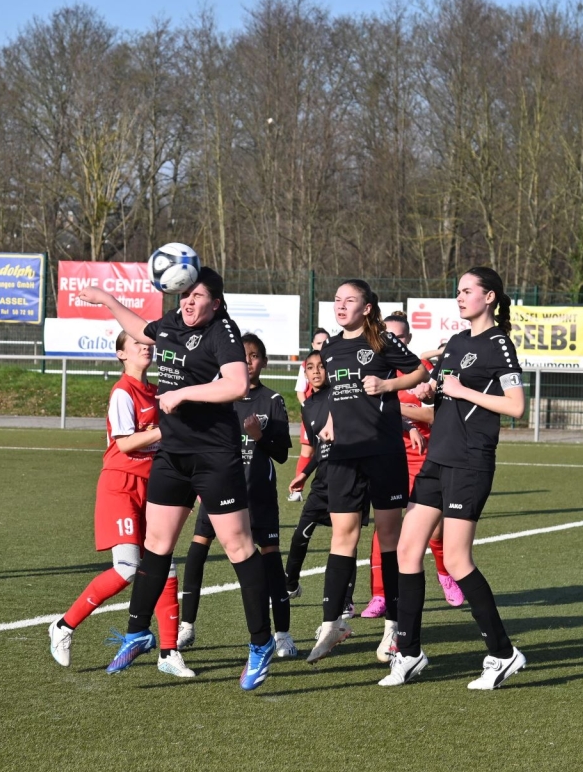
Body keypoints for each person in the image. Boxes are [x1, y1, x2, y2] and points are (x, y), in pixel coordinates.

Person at [74, 266, 278, 690]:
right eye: (184, 295)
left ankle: (261, 643)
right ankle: (138, 632)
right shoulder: (171, 323)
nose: (187, 302)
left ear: (215, 303)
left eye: (197, 296)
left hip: (214, 456)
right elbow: (141, 330)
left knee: (239, 547)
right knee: (156, 544)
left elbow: (237, 385)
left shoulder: (222, 330)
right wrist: (108, 301)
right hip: (173, 454)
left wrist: (183, 393)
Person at [384, 267, 529, 688]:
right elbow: (439, 401)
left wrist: (463, 391)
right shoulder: (458, 342)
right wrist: (428, 394)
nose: (460, 297)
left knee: (456, 560)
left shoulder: (499, 344)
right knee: (407, 550)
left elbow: (516, 406)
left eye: (468, 291)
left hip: (470, 462)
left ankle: (503, 653)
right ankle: (409, 652)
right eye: (458, 291)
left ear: (490, 297)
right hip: (437, 459)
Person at [49, 332, 190, 676]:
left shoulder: (158, 391)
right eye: (137, 344)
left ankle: (168, 652)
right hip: (121, 485)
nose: (146, 348)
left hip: (154, 486)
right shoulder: (123, 392)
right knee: (128, 567)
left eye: (148, 344)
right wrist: (165, 431)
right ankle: (63, 626)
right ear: (121, 354)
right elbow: (125, 444)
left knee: (165, 566)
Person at [306, 281, 429, 665]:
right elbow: (335, 392)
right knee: (343, 535)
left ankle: (393, 625)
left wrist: (388, 383)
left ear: (367, 308)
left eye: (350, 300)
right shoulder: (329, 347)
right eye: (337, 300)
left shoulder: (382, 341)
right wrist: (329, 420)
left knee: (388, 537)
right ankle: (333, 623)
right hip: (344, 455)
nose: (341, 306)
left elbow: (419, 371)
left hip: (383, 451)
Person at [175, 332, 294, 658]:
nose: (248, 361)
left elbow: (282, 454)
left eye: (254, 356)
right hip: (219, 488)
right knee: (197, 549)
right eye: (243, 356)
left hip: (258, 495)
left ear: (264, 362)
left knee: (270, 558)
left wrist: (260, 435)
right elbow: (200, 442)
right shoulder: (218, 396)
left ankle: (282, 634)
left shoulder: (272, 400)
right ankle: (187, 625)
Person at [363, 310, 462, 656]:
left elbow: (434, 414)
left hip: (423, 458)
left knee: (433, 529)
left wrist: (396, 409)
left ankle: (445, 573)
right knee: (385, 528)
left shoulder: (420, 370)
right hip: (388, 456)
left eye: (399, 336)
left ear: (407, 340)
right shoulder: (372, 369)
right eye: (387, 335)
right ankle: (379, 594)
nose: (392, 341)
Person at [284, 348, 337, 586]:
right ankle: (290, 585)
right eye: (310, 368)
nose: (316, 372)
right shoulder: (307, 407)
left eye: (321, 366)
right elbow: (318, 448)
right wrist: (304, 474)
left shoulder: (338, 396)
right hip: (321, 482)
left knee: (344, 542)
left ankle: (346, 599)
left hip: (344, 478)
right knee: (299, 536)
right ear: (305, 373)